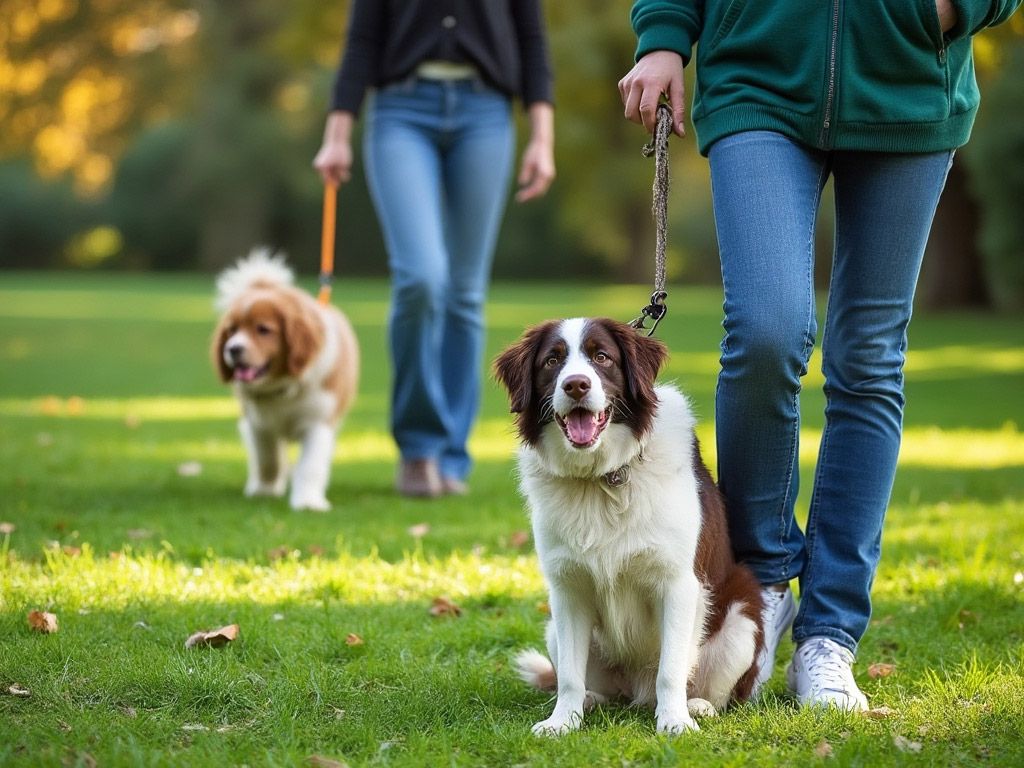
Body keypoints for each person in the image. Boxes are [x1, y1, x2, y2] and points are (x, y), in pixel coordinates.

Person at [619, 0, 1021, 710]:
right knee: (766, 330)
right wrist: (663, 37)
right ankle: (764, 582)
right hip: (758, 76)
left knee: (868, 360)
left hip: (908, 82)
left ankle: (830, 630)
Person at [314, 1, 556, 498]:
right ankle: (418, 446)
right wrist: (337, 135)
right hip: (401, 109)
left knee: (464, 294)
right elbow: (362, 39)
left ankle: (451, 454)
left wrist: (542, 138)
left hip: (485, 112)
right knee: (421, 277)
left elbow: (532, 39)